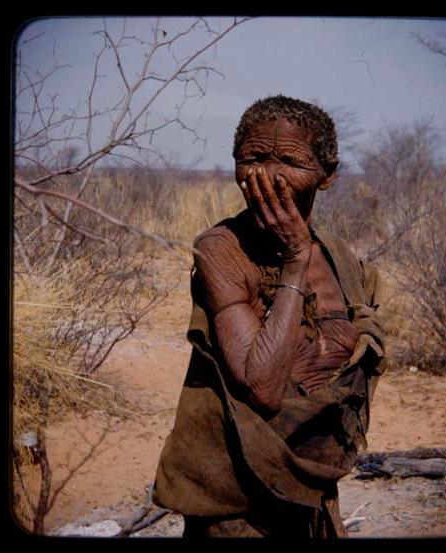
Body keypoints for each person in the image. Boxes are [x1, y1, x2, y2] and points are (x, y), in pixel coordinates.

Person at [153, 95, 386, 538]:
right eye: (253, 158)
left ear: (327, 176)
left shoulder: (344, 262)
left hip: (313, 493)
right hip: (236, 506)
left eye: (290, 162)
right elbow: (262, 387)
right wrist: (295, 260)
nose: (267, 177)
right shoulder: (221, 249)